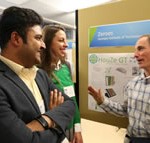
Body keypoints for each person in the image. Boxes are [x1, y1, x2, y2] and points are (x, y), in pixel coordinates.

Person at [0, 6, 75, 143]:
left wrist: (44, 120)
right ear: (16, 38)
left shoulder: (40, 75)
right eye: (38, 38)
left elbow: (70, 105)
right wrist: (57, 123)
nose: (43, 45)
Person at [88, 34, 150, 143]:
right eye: (135, 50)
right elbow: (124, 110)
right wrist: (102, 101)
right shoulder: (133, 84)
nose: (135, 55)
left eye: (140, 49)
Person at [40, 25, 83, 143]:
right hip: (53, 129)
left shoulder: (67, 66)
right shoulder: (39, 71)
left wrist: (77, 129)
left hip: (70, 128)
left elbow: (73, 100)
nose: (66, 44)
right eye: (61, 40)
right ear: (48, 43)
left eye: (66, 40)